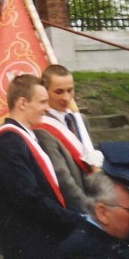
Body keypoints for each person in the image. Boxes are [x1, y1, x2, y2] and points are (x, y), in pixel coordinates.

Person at [0, 74, 83, 259]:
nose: (46, 107)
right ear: (22, 103)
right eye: (41, 102)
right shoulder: (9, 142)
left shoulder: (26, 136)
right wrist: (74, 220)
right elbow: (28, 198)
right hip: (32, 255)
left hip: (45, 253)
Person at [34, 65, 99, 213]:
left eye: (70, 90)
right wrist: (90, 208)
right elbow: (62, 179)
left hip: (93, 195)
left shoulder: (80, 119)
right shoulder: (41, 128)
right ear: (45, 90)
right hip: (73, 208)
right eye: (59, 92)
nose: (66, 97)